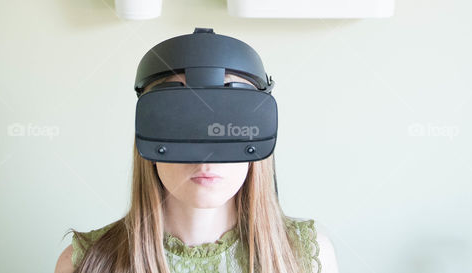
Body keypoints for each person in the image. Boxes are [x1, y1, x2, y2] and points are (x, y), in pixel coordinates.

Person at [54, 69, 339, 273]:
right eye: (184, 122)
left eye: (227, 126)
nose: (207, 156)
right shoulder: (83, 264)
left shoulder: (308, 258)